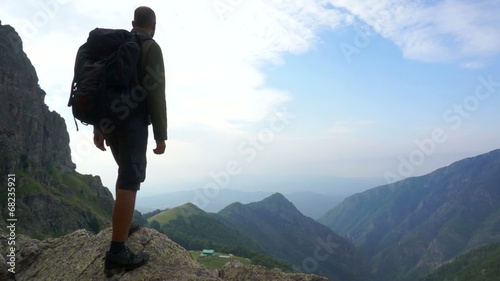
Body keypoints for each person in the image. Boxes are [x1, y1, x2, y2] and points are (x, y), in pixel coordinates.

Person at [93, 6, 167, 276]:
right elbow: (157, 94)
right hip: (132, 123)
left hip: (110, 122)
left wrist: (99, 126)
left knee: (124, 175)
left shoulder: (118, 44)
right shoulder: (151, 47)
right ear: (153, 25)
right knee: (129, 181)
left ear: (133, 22)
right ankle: (116, 253)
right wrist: (161, 135)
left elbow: (101, 85)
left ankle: (123, 228)